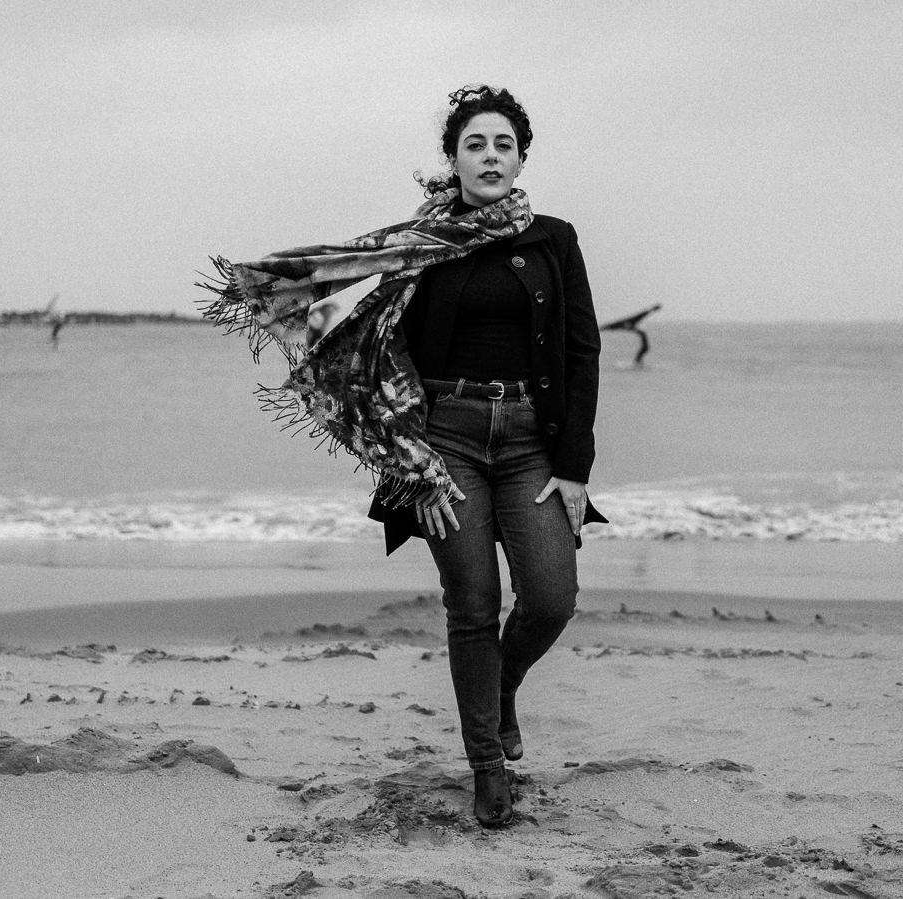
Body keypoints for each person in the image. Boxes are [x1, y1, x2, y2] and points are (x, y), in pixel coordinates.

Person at [201, 84, 605, 828]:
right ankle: (487, 765)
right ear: (453, 158)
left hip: (531, 442)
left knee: (552, 598)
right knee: (472, 603)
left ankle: (502, 685)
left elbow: (583, 351)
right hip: (442, 443)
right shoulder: (417, 247)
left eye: (504, 145)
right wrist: (403, 451)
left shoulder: (555, 239)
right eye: (475, 144)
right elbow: (366, 330)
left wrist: (574, 466)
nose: (490, 156)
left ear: (522, 159)